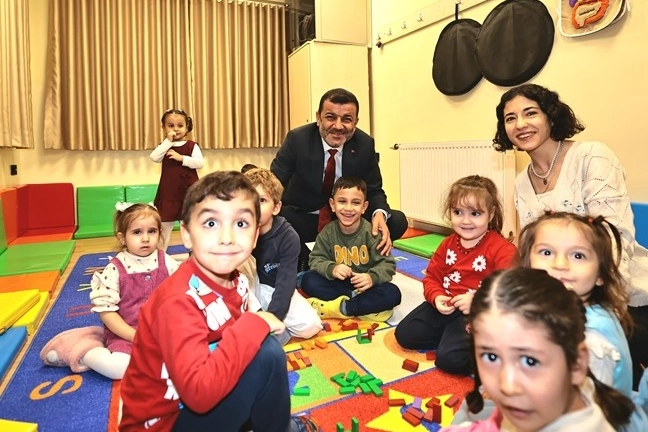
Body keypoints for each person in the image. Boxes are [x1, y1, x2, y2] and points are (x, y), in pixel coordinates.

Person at [118, 171, 320, 432]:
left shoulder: (238, 282)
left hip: (198, 398)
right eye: (211, 223)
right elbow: (199, 395)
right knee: (267, 351)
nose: (227, 237)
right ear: (187, 235)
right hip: (165, 422)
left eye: (241, 224)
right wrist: (253, 323)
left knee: (261, 353)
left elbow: (228, 350)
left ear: (255, 237)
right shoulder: (178, 302)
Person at [493, 83, 648, 389]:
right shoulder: (522, 183)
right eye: (510, 118)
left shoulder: (591, 156)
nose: (520, 124)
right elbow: (534, 250)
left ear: (551, 116)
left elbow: (614, 239)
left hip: (621, 296)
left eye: (530, 113)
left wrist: (587, 304)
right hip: (562, 296)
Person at [442, 267, 645, 432]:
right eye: (491, 356)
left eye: (530, 361)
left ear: (577, 364)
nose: (507, 385)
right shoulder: (533, 406)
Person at [270, 88, 408, 271]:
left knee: (396, 220)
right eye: (330, 117)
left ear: (355, 122)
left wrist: (379, 215)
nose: (338, 126)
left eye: (346, 119)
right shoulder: (298, 139)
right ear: (318, 117)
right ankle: (307, 257)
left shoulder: (364, 144)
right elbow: (274, 182)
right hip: (304, 217)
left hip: (346, 218)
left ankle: (355, 257)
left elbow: (374, 189)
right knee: (272, 216)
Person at [40, 203, 180, 380]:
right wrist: (134, 336)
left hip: (162, 331)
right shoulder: (114, 269)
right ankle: (81, 349)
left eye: (151, 231)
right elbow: (107, 312)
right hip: (126, 333)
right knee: (118, 369)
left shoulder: (167, 262)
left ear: (160, 233)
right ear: (122, 238)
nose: (145, 238)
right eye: (137, 232)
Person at [394, 175, 517, 376]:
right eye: (458, 212)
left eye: (475, 213)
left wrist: (478, 301)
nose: (465, 221)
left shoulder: (503, 250)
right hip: (447, 306)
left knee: (450, 360)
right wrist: (437, 297)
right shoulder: (447, 244)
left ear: (491, 214)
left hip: (480, 312)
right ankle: (454, 337)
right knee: (405, 335)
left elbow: (508, 291)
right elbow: (432, 278)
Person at [518, 211, 634, 396]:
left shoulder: (592, 341)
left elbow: (585, 406)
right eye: (546, 252)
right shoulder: (555, 308)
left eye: (578, 256)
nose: (560, 264)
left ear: (600, 275)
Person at [300, 176, 401, 322]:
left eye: (356, 203)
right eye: (342, 201)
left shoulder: (372, 233)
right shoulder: (327, 232)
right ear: (332, 205)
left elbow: (388, 264)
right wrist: (332, 268)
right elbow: (316, 259)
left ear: (364, 207)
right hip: (339, 284)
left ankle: (342, 308)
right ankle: (360, 305)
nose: (348, 208)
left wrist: (371, 277)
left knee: (392, 293)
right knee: (308, 280)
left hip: (366, 286)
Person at [243, 167, 322, 344]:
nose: (254, 206)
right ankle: (258, 323)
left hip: (273, 288)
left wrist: (273, 317)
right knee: (243, 260)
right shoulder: (237, 227)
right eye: (249, 199)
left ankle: (269, 327)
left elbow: (286, 284)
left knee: (311, 325)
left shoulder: (288, 237)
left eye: (262, 200)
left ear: (276, 207)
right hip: (248, 288)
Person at [151, 108, 204, 251]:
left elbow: (200, 163)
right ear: (163, 127)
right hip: (169, 193)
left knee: (190, 225)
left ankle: (195, 253)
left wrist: (182, 158)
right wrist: (167, 142)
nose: (175, 129)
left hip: (189, 192)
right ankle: (160, 255)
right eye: (171, 125)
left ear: (187, 128)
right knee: (164, 226)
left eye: (180, 125)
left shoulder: (192, 146)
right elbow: (154, 157)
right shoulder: (164, 146)